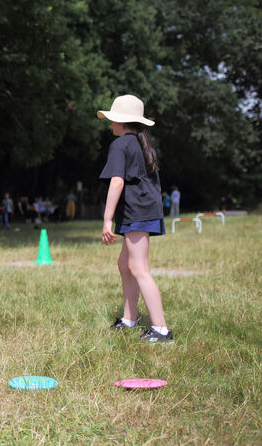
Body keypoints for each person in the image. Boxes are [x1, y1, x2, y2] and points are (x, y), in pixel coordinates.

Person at [98, 95, 173, 343]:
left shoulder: (120, 145)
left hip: (137, 212)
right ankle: (130, 319)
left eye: (112, 119)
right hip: (141, 211)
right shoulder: (142, 144)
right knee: (125, 265)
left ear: (122, 121)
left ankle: (161, 330)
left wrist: (107, 219)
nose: (110, 123)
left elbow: (117, 181)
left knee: (139, 269)